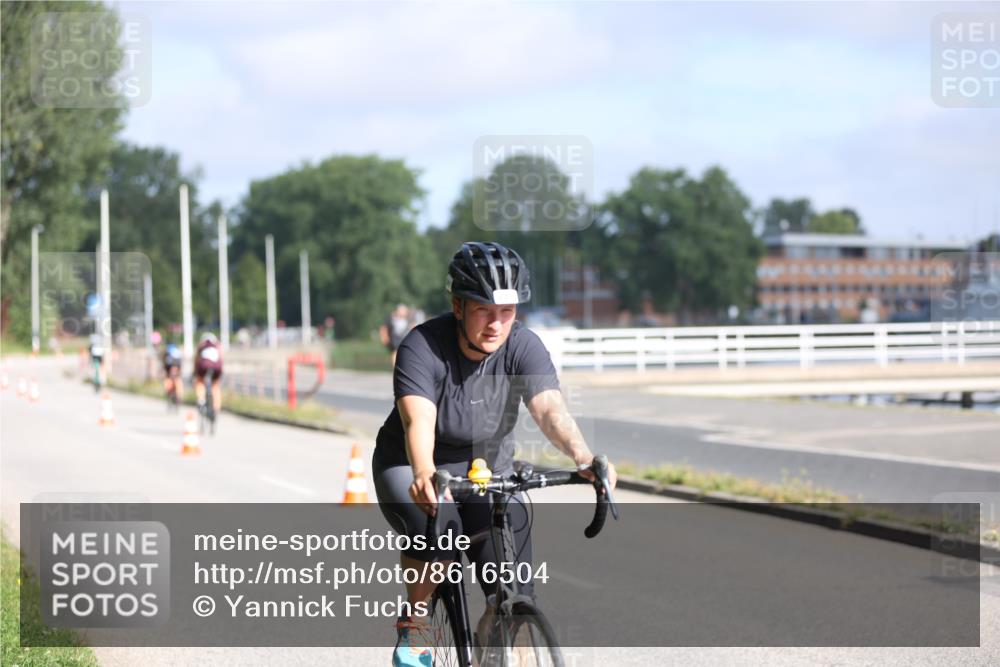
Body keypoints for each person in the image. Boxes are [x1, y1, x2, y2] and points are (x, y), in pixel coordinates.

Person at [372, 241, 617, 667]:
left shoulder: (523, 345)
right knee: (439, 531)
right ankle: (416, 622)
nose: (496, 324)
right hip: (415, 464)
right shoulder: (422, 347)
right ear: (459, 305)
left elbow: (548, 407)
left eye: (507, 312)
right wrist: (425, 469)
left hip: (490, 473)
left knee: (512, 596)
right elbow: (418, 420)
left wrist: (582, 455)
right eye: (485, 310)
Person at [194, 332, 223, 415]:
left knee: (200, 382)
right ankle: (216, 407)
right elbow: (221, 359)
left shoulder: (201, 346)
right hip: (217, 367)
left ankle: (201, 400)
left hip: (204, 365)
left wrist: (195, 372)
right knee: (215, 385)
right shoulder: (217, 346)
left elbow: (197, 360)